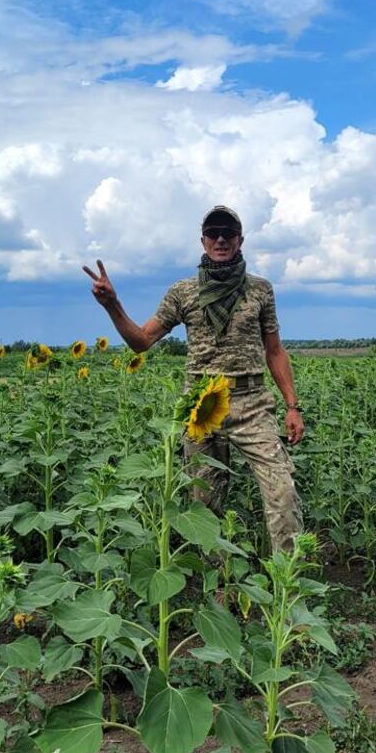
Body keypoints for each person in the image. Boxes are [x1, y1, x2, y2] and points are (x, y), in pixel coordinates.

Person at [82, 205, 304, 550]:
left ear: (240, 240)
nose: (220, 239)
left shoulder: (260, 289)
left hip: (252, 402)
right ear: (202, 240)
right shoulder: (183, 292)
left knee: (282, 490)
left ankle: (287, 583)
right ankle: (217, 588)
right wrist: (112, 304)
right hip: (200, 404)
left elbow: (274, 350)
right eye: (213, 233)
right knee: (204, 504)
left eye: (228, 233)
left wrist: (293, 406)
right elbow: (141, 341)